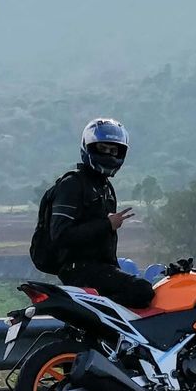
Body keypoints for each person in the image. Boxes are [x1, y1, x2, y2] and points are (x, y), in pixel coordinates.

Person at [30, 118, 155, 310]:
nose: (109, 154)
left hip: (100, 269)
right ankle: (99, 315)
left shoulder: (105, 188)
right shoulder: (72, 185)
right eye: (103, 148)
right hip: (78, 269)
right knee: (142, 290)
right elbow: (60, 235)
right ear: (88, 148)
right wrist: (106, 225)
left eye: (114, 150)